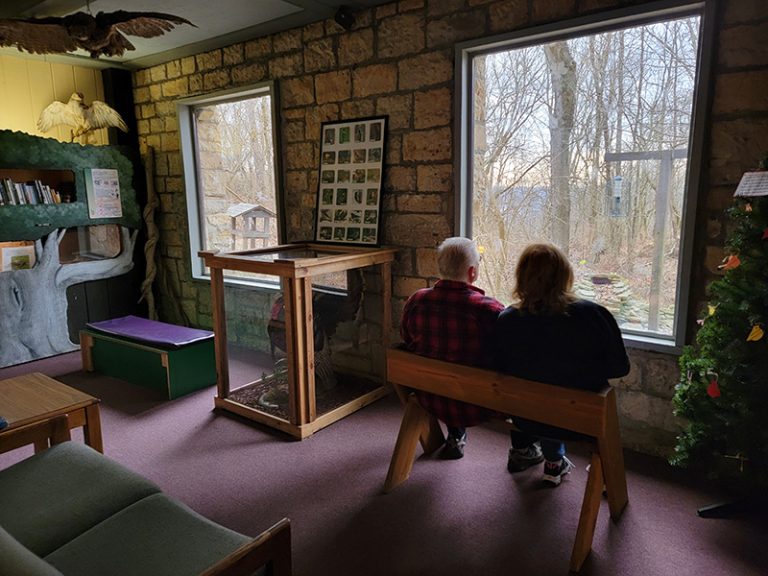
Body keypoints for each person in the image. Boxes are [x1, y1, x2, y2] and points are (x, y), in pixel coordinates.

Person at [494, 243, 630, 486]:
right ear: (565, 276)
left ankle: (552, 459)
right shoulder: (592, 315)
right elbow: (619, 368)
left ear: (521, 277)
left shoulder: (507, 319)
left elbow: (499, 366)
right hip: (581, 422)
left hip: (526, 418)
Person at [401, 237, 505, 459]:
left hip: (430, 396)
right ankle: (524, 451)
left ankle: (455, 434)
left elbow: (407, 340)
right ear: (472, 272)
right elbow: (509, 355)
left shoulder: (416, 300)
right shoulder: (490, 310)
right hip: (480, 404)